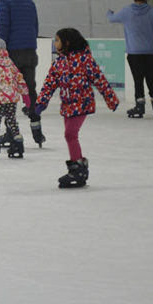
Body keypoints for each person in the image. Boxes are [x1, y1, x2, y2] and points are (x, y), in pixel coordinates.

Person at [34, 28, 119, 189]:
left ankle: (77, 168)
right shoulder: (58, 62)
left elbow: (99, 79)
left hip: (82, 103)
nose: (55, 43)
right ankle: (79, 166)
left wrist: (111, 99)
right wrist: (42, 102)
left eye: (57, 40)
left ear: (67, 42)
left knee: (70, 134)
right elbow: (49, 84)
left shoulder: (85, 60)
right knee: (70, 136)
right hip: (67, 104)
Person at [0, 0, 44, 146]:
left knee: (9, 94)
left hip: (12, 53)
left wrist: (0, 52)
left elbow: (3, 29)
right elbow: (35, 26)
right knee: (30, 90)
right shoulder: (29, 3)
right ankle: (36, 125)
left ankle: (11, 132)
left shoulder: (5, 2)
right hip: (30, 51)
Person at [107, 0, 153, 118]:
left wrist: (109, 12)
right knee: (151, 78)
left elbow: (111, 19)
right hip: (150, 52)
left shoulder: (126, 11)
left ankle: (140, 106)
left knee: (138, 79)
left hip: (134, 53)